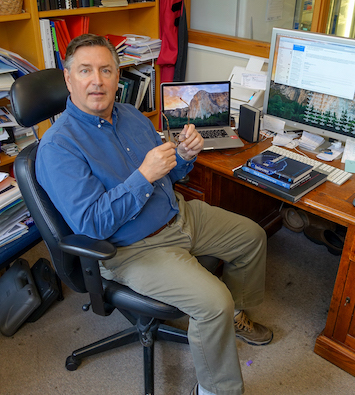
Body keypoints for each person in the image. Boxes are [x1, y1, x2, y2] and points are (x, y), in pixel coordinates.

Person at [36, 34, 273, 395]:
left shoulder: (131, 115)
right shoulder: (58, 147)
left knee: (252, 237)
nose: (96, 80)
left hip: (179, 216)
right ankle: (215, 390)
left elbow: (169, 175)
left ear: (118, 77)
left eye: (105, 70)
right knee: (213, 303)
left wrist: (184, 158)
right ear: (68, 79)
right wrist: (144, 174)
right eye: (85, 71)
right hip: (132, 248)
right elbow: (92, 224)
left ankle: (236, 317)